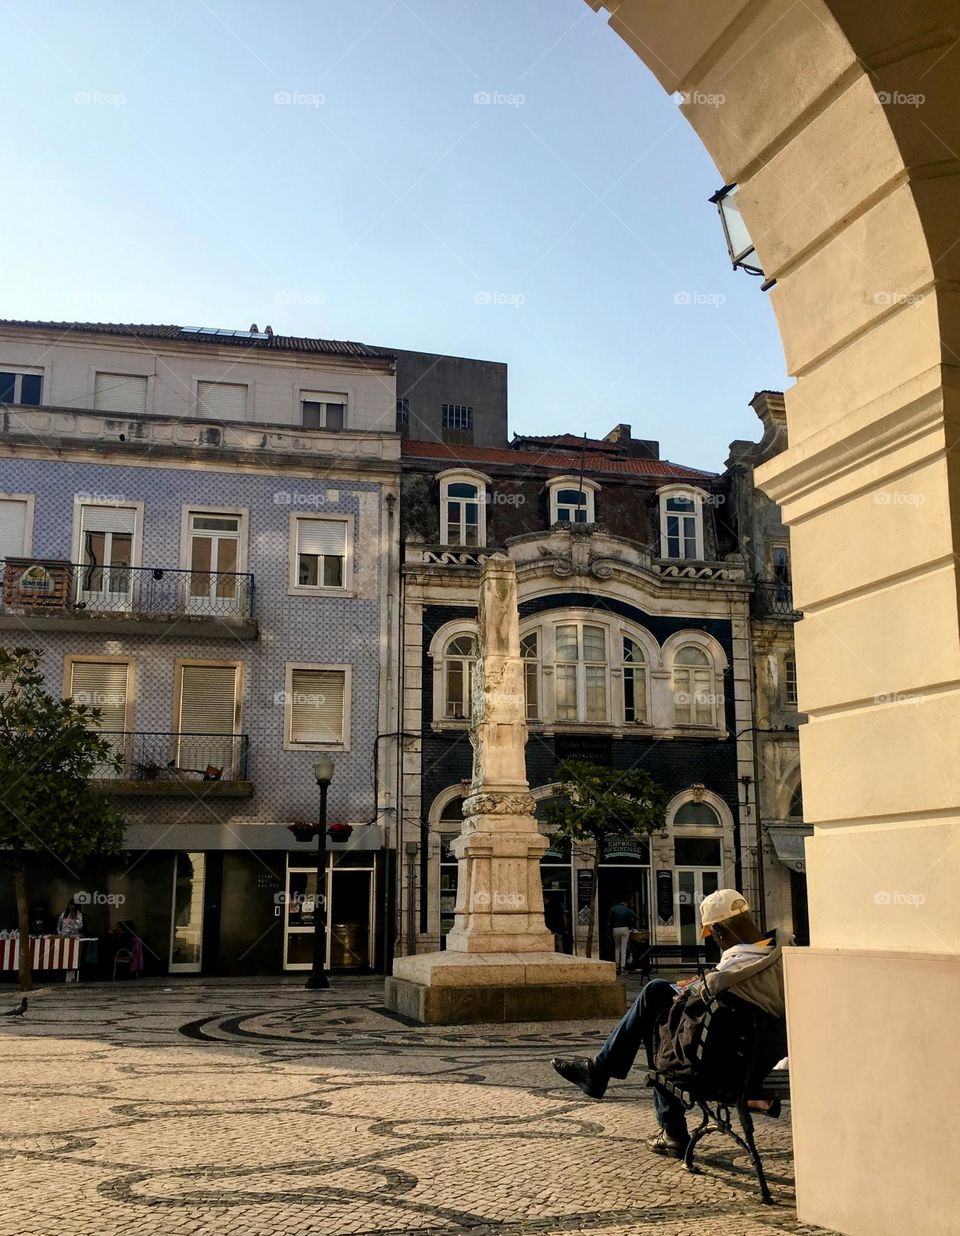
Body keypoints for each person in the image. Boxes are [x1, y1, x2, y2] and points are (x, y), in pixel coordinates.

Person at [551, 889, 788, 1158]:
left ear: (721, 932)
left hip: (719, 1070)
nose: (716, 942)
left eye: (713, 935)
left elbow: (699, 1004)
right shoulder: (780, 958)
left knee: (655, 1015)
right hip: (758, 1064)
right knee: (658, 992)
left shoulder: (731, 973)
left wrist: (687, 990)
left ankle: (668, 1127)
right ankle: (601, 1072)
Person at [57, 899, 84, 983]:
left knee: (73, 957)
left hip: (74, 939)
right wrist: (60, 934)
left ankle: (72, 976)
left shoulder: (79, 915)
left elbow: (80, 926)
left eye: (73, 905)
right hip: (64, 938)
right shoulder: (63, 915)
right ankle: (61, 975)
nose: (71, 907)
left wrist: (74, 918)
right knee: (62, 956)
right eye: (70, 905)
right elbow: (58, 926)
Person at [607, 899, 637, 973]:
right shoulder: (628, 909)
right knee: (623, 948)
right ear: (625, 903)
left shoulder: (613, 908)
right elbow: (635, 917)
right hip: (625, 928)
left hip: (615, 929)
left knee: (617, 947)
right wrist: (631, 924)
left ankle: (617, 965)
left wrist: (609, 931)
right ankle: (622, 966)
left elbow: (609, 921)